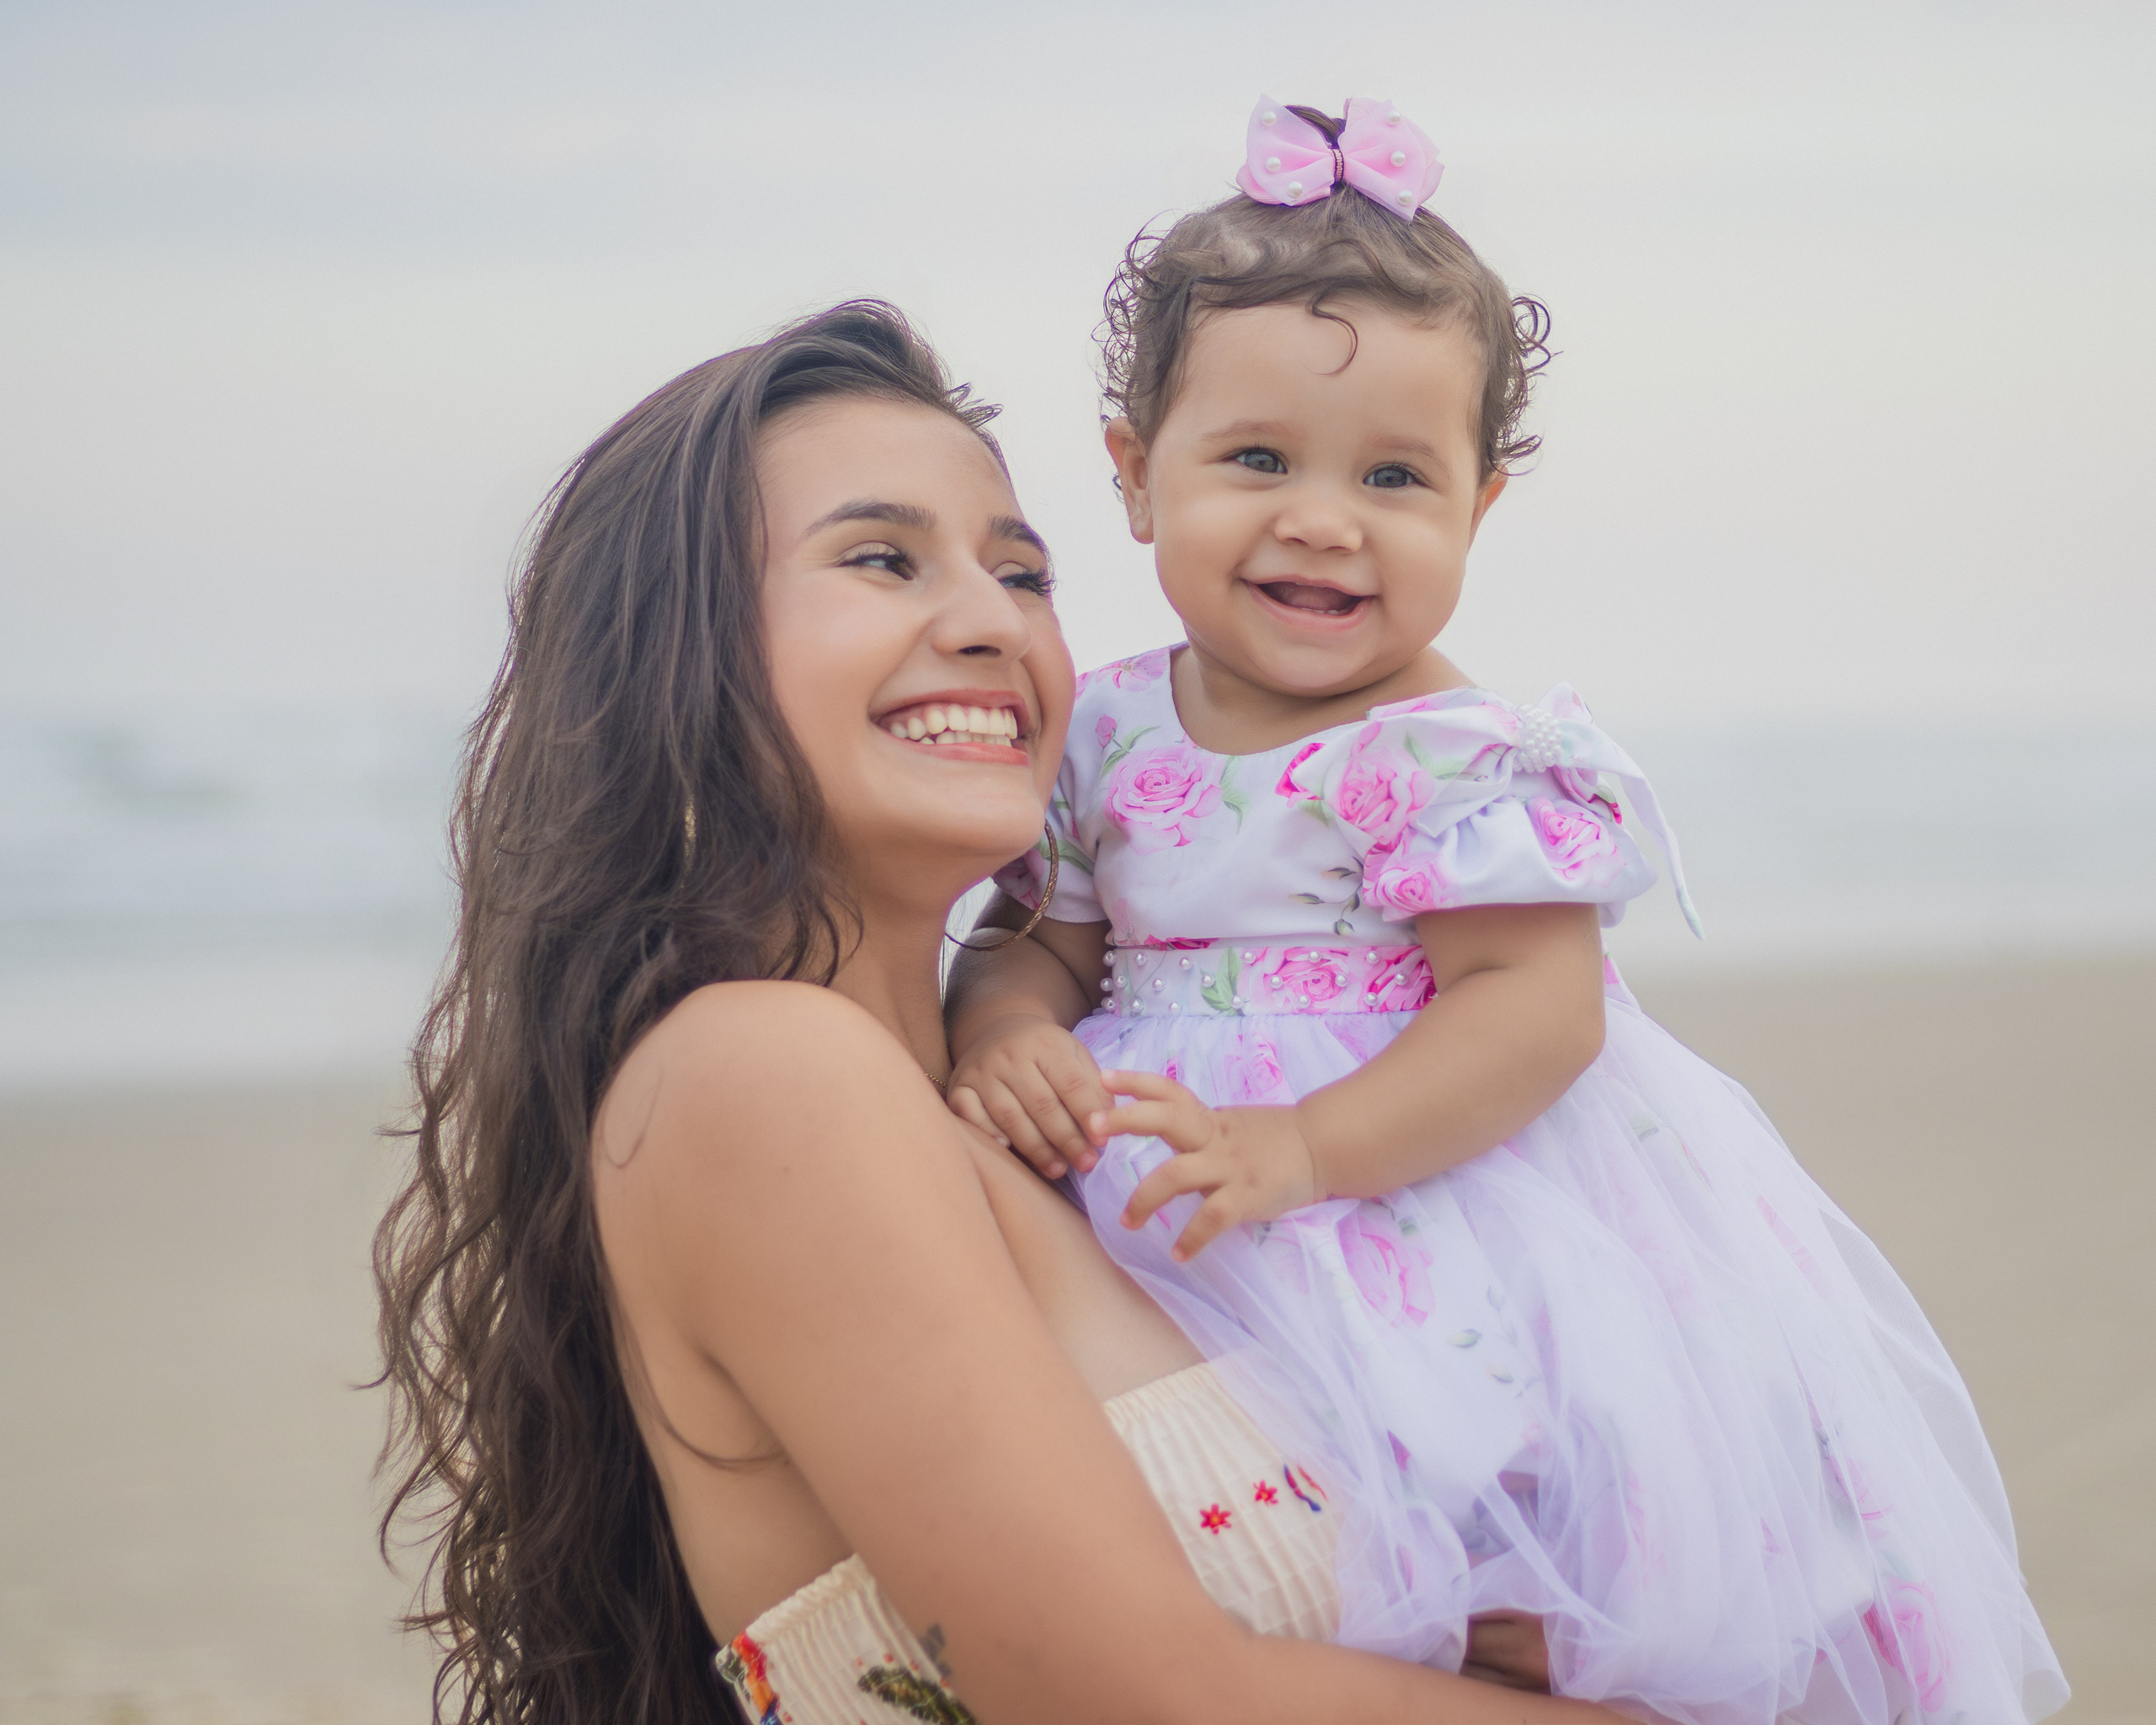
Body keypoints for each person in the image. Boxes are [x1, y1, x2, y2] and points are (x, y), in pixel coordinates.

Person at [943, 98, 2068, 1724]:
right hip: (1175, 1181)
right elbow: (1044, 938)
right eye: (1257, 459)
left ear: (1476, 507)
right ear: (1134, 476)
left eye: (1396, 476)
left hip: (1424, 1186)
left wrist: (1308, 1149)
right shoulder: (1104, 725)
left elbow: (1536, 1013)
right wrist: (1000, 1026)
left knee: (1492, 1487)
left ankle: (1529, 1644)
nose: (1323, 516)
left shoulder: (1455, 753)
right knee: (1212, 1506)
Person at [372, 300, 1611, 1724]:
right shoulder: (762, 1073)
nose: (992, 622)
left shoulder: (1075, 1116)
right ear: (672, 652)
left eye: (1022, 573)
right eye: (881, 558)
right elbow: (1137, 1700)